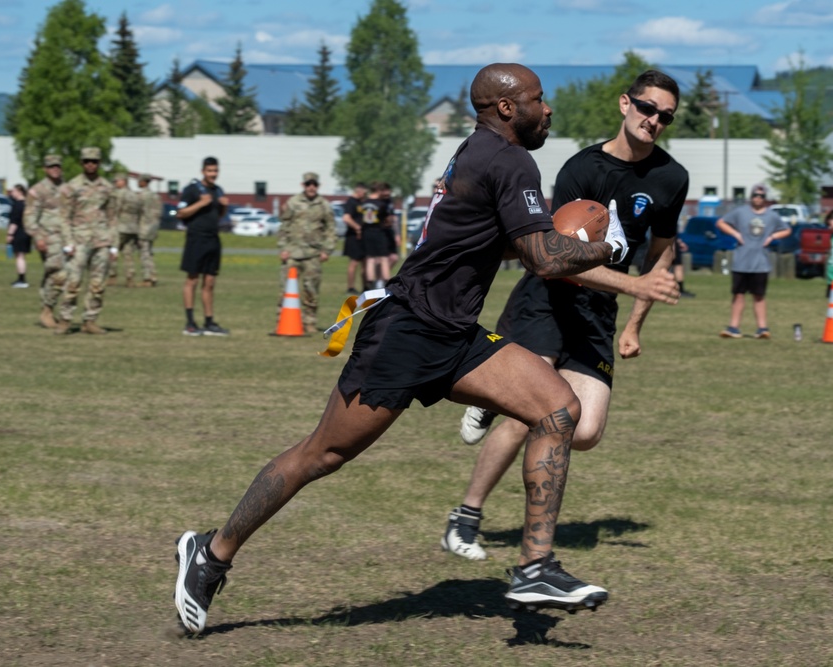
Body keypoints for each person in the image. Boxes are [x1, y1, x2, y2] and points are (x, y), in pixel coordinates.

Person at [172, 63, 638, 634]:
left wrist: (568, 244)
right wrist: (602, 247)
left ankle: (535, 566)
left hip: (455, 332)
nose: (549, 111)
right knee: (322, 454)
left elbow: (508, 245)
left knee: (558, 409)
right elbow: (543, 259)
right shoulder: (510, 159)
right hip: (407, 331)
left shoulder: (481, 152)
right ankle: (211, 552)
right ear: (508, 108)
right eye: (540, 100)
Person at [448, 69, 687, 562]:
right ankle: (465, 518)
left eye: (665, 116)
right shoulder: (582, 168)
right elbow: (556, 257)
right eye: (647, 109)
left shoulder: (671, 179)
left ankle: (499, 401)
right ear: (625, 104)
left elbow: (658, 257)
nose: (654, 121)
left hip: (599, 310)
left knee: (586, 431)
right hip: (549, 296)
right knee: (537, 408)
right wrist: (634, 284)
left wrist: (636, 322)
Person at [57, 147, 118, 335]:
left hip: (101, 241)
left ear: (99, 163)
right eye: (87, 161)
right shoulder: (72, 187)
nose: (90, 164)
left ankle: (90, 320)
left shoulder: (107, 188)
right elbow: (64, 217)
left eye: (94, 161)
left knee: (98, 285)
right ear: (81, 163)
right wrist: (68, 242)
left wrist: (114, 245)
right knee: (73, 282)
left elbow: (112, 217)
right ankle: (65, 320)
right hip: (79, 240)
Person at [716, 184, 790, 339]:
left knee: (759, 296)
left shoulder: (772, 216)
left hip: (761, 263)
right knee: (738, 294)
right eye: (755, 195)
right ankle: (733, 328)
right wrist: (735, 234)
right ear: (751, 197)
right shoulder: (740, 212)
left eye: (761, 196)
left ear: (765, 199)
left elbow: (787, 229)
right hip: (741, 261)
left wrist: (772, 237)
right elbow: (721, 223)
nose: (758, 198)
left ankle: (762, 329)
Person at [277, 171, 337, 333]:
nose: (311, 187)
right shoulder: (293, 202)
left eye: (314, 184)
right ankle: (282, 319)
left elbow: (331, 229)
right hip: (292, 253)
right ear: (303, 185)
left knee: (311, 289)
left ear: (318, 186)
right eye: (308, 184)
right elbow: (284, 225)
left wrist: (327, 250)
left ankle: (309, 321)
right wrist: (283, 247)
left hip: (313, 254)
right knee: (287, 288)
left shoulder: (323, 205)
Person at [177, 156, 229, 336]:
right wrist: (201, 203)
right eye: (209, 171)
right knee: (192, 279)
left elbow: (218, 216)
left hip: (213, 239)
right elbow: (180, 213)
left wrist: (223, 207)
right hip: (196, 238)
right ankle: (190, 322)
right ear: (202, 172)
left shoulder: (218, 191)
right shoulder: (192, 190)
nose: (213, 174)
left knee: (210, 281)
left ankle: (209, 322)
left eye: (215, 171)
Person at [24, 155, 67, 329]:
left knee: (54, 275)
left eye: (57, 166)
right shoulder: (37, 191)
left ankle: (48, 307)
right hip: (48, 239)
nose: (55, 169)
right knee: (58, 273)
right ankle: (47, 310)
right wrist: (38, 237)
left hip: (66, 240)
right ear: (45, 169)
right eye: (51, 166)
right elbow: (29, 217)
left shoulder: (67, 188)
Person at [361, 181, 396, 289]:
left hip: (367, 232)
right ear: (379, 191)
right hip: (379, 232)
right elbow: (388, 219)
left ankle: (370, 283)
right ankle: (386, 282)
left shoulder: (364, 202)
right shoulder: (382, 204)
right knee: (383, 258)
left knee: (370, 259)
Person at [112, 173, 142, 288]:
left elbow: (116, 209)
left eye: (117, 181)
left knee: (113, 251)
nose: (115, 183)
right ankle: (130, 278)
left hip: (121, 226)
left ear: (123, 181)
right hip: (133, 228)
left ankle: (112, 276)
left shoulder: (120, 193)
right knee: (128, 254)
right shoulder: (134, 195)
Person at [341, 182, 368, 295]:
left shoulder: (363, 202)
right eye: (364, 192)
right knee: (354, 262)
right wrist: (357, 228)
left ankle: (365, 287)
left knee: (365, 262)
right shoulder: (351, 202)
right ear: (359, 191)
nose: (365, 195)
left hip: (364, 237)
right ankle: (350, 287)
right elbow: (346, 218)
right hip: (354, 237)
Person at [136, 174, 162, 287]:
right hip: (154, 227)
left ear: (143, 182)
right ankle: (153, 275)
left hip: (144, 226)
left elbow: (137, 211)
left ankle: (147, 278)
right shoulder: (156, 196)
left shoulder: (141, 196)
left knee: (144, 253)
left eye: (139, 181)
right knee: (150, 253)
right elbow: (160, 212)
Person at [5, 184, 29, 288]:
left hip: (19, 233)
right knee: (21, 256)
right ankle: (21, 279)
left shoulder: (18, 205)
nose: (12, 193)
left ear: (20, 191)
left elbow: (14, 221)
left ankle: (22, 280)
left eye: (14, 191)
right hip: (26, 232)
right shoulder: (27, 204)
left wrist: (10, 234)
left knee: (19, 257)